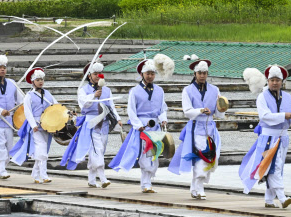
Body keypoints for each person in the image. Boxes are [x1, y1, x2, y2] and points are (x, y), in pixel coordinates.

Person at [109, 56, 172, 193]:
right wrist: (138, 125)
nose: (150, 76)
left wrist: (163, 119)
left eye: (152, 73)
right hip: (143, 126)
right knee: (145, 153)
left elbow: (162, 108)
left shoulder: (159, 90)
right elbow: (131, 110)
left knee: (153, 154)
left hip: (155, 126)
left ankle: (148, 182)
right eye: (148, 73)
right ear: (142, 74)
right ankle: (146, 183)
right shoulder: (135, 91)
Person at [238, 65, 291, 208]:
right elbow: (264, 116)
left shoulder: (287, 97)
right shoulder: (262, 97)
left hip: (282, 137)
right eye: (272, 80)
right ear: (268, 81)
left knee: (277, 166)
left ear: (282, 82)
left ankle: (269, 200)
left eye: (277, 80)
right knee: (273, 167)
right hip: (268, 137)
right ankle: (282, 197)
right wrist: (284, 115)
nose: (275, 83)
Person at [168, 56, 224, 200]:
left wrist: (221, 108)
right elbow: (187, 111)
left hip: (210, 127)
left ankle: (194, 188)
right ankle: (200, 188)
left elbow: (218, 112)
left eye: (204, 73)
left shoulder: (215, 89)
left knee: (210, 157)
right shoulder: (187, 90)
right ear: (195, 74)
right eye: (200, 73)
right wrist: (199, 111)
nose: (202, 75)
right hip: (196, 127)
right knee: (201, 157)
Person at [61, 60, 122, 188]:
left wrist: (118, 118)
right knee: (96, 150)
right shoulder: (83, 90)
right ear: (89, 75)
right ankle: (103, 178)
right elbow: (83, 105)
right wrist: (93, 96)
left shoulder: (107, 90)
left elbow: (111, 106)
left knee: (100, 150)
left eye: (100, 73)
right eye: (95, 74)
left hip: (104, 123)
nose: (98, 76)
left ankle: (92, 179)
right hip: (91, 122)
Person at [10, 67, 57, 184]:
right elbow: (28, 112)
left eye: (42, 79)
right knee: (41, 148)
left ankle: (35, 175)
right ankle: (44, 174)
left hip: (47, 125)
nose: (40, 82)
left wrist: (66, 113)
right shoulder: (29, 96)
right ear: (33, 82)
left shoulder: (48, 94)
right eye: (38, 80)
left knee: (43, 149)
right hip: (35, 126)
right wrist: (32, 125)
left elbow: (56, 106)